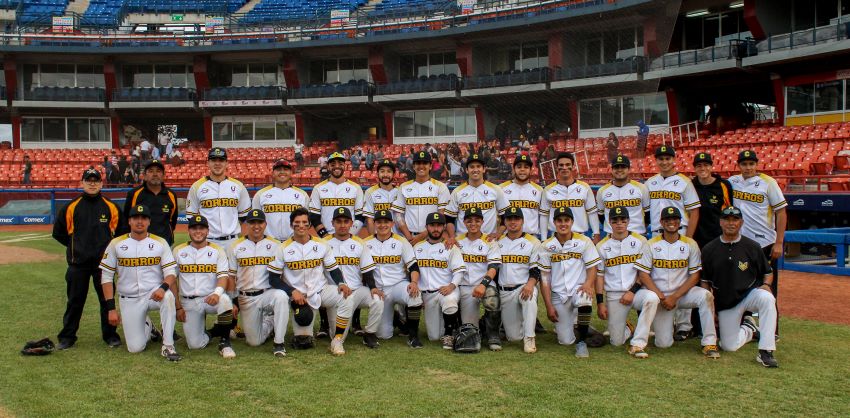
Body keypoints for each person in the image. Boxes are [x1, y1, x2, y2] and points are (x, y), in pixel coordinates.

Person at [633, 206, 720, 359]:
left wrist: (675, 296)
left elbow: (695, 276)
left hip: (681, 295)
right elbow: (644, 274)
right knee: (663, 343)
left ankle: (709, 342)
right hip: (659, 295)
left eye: (674, 219)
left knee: (705, 296)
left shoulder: (690, 244)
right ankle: (641, 341)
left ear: (680, 222)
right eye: (667, 219)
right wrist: (661, 296)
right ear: (661, 222)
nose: (671, 222)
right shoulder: (651, 244)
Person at [267, 208, 354, 356]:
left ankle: (337, 339)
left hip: (320, 290)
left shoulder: (322, 244)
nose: (301, 225)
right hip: (298, 298)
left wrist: (341, 283)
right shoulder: (283, 248)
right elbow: (273, 278)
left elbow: (333, 269)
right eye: (297, 223)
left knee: (347, 297)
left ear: (309, 225)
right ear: (291, 225)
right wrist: (292, 291)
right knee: (303, 341)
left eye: (304, 222)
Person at [52, 168, 123, 350]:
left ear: (101, 183)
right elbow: (58, 233)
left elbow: (121, 234)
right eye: (88, 180)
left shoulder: (111, 207)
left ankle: (110, 335)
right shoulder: (71, 207)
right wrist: (76, 248)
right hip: (78, 265)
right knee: (74, 301)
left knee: (107, 302)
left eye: (96, 180)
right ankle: (67, 337)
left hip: (103, 266)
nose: (92, 183)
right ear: (82, 183)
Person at [100, 204, 181, 360]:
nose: (139, 221)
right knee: (135, 348)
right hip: (129, 298)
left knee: (168, 297)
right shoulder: (116, 243)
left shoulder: (160, 242)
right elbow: (106, 277)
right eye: (135, 218)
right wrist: (110, 308)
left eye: (143, 218)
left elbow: (171, 273)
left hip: (154, 294)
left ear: (149, 222)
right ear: (129, 221)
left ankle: (168, 345)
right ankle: (149, 327)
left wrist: (163, 288)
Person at [701, 206, 778, 367]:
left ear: (741, 222)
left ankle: (766, 351)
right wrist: (711, 308)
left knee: (768, 299)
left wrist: (766, 285)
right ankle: (749, 329)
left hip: (749, 294)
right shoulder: (709, 249)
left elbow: (768, 272)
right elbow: (705, 283)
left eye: (735, 219)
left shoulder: (752, 246)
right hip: (726, 302)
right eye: (727, 219)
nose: (731, 223)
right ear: (720, 222)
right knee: (729, 346)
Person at [728, 150, 787, 317]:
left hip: (765, 242)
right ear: (738, 165)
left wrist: (779, 242)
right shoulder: (733, 181)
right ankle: (747, 325)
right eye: (744, 164)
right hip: (741, 243)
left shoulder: (768, 182)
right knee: (742, 285)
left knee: (767, 287)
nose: (748, 167)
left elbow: (781, 212)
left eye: (751, 164)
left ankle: (772, 330)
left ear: (757, 164)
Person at [538, 207, 601, 358]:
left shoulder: (584, 241)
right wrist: (548, 306)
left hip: (578, 290)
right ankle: (580, 326)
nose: (563, 224)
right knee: (565, 341)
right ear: (554, 223)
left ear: (572, 222)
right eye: (559, 220)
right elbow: (545, 278)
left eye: (566, 220)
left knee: (585, 299)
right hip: (558, 295)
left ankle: (582, 342)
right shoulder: (546, 246)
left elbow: (592, 267)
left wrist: (588, 284)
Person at [595, 206, 657, 358]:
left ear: (628, 221)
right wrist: (600, 303)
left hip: (636, 291)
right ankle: (628, 327)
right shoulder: (601, 246)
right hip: (614, 293)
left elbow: (644, 272)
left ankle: (638, 343)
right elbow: (600, 276)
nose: (619, 223)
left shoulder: (641, 241)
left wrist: (632, 291)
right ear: (610, 222)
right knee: (616, 341)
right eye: (615, 221)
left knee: (652, 298)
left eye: (623, 220)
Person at [173, 215, 236, 359]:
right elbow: (172, 280)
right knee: (195, 345)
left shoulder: (217, 250)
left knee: (225, 300)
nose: (198, 231)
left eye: (201, 228)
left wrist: (217, 293)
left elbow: (223, 277)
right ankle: (214, 331)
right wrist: (178, 307)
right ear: (188, 231)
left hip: (210, 298)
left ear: (207, 231)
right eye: (194, 228)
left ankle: (225, 342)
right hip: (188, 301)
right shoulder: (178, 251)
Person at [228, 210, 290, 356]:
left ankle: (279, 343)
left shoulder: (275, 245)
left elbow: (282, 274)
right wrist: (232, 300)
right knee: (254, 342)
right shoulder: (235, 246)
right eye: (252, 222)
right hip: (246, 297)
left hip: (267, 293)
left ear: (265, 224)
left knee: (281, 296)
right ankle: (270, 321)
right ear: (246, 225)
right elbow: (231, 276)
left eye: (260, 222)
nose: (256, 226)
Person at [323, 208, 383, 348]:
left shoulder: (360, 243)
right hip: (336, 294)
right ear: (332, 223)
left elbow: (367, 270)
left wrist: (373, 287)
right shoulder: (323, 243)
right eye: (338, 221)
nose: (342, 225)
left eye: (346, 221)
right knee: (337, 336)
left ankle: (369, 334)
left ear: (351, 223)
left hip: (357, 291)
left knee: (377, 299)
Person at [366, 210, 423, 347]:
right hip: (379, 290)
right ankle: (397, 318)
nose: (382, 225)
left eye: (386, 222)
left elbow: (414, 266)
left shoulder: (401, 241)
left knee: (414, 295)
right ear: (374, 224)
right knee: (383, 335)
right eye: (379, 222)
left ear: (391, 223)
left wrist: (414, 282)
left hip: (398, 285)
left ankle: (413, 336)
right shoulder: (366, 243)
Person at [415, 212, 466, 349]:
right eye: (432, 225)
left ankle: (449, 335)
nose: (435, 228)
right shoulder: (417, 247)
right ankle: (454, 324)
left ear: (444, 227)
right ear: (427, 227)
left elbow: (459, 271)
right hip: (427, 294)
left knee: (450, 301)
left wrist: (452, 286)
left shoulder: (451, 247)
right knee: (434, 337)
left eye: (439, 225)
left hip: (445, 290)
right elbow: (412, 272)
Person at [496, 207, 543, 353]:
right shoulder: (497, 241)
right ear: (505, 221)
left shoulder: (533, 242)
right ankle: (521, 326)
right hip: (505, 291)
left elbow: (537, 268)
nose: (513, 222)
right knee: (513, 337)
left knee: (530, 297)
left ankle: (530, 337)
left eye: (516, 218)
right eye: (509, 219)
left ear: (522, 221)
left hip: (523, 287)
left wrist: (530, 284)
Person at [186, 147, 251, 250]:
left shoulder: (238, 186)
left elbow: (245, 218)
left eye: (221, 160)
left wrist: (245, 243)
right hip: (208, 241)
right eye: (213, 160)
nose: (217, 163)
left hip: (232, 241)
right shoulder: (197, 186)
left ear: (226, 163)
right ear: (208, 163)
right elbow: (191, 218)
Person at [456, 207, 503, 351]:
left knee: (491, 297)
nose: (473, 223)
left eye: (477, 220)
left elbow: (494, 266)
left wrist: (483, 284)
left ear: (482, 222)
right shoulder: (457, 242)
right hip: (465, 287)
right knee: (471, 330)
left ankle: (493, 334)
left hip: (484, 284)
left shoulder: (489, 241)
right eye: (469, 221)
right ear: (464, 222)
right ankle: (482, 326)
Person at [445, 153, 510, 244]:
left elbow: (506, 216)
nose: (475, 170)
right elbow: (449, 218)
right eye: (472, 167)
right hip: (463, 243)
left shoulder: (495, 189)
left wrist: (498, 233)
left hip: (488, 241)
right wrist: (452, 237)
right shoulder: (457, 191)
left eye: (478, 166)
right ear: (467, 170)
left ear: (484, 169)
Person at [392, 151, 451, 246]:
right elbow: (398, 215)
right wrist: (409, 237)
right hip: (409, 237)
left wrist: (423, 235)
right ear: (413, 166)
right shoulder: (404, 187)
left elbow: (442, 215)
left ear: (430, 166)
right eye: (418, 163)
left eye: (425, 163)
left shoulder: (440, 187)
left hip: (433, 237)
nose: (421, 166)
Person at [540, 152, 600, 242]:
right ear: (557, 167)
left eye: (568, 164)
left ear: (573, 166)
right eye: (561, 165)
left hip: (580, 237)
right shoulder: (548, 190)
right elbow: (544, 215)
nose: (564, 167)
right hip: (556, 238)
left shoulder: (585, 187)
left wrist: (596, 234)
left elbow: (592, 213)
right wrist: (543, 239)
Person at [646, 145, 700, 238]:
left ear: (674, 159)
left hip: (679, 232)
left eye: (668, 158)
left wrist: (688, 238)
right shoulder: (649, 182)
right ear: (656, 160)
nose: (664, 162)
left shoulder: (685, 182)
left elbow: (694, 212)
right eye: (661, 159)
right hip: (656, 233)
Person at [121, 159, 178, 246]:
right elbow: (126, 219)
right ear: (144, 175)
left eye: (158, 171)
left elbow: (172, 220)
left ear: (163, 175)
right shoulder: (134, 194)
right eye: (151, 171)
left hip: (164, 244)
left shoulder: (171, 195)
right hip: (138, 244)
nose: (155, 174)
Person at [252, 159, 310, 242]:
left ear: (291, 173)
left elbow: (307, 221)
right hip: (269, 242)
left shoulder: (302, 195)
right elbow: (255, 221)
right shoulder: (260, 194)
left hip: (294, 242)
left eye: (286, 169)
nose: (282, 172)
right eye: (278, 170)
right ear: (273, 173)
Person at [596, 155, 650, 235]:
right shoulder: (602, 191)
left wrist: (642, 228)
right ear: (612, 170)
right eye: (616, 167)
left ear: (629, 169)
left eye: (623, 167)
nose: (620, 170)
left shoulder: (641, 188)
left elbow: (648, 214)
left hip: (637, 233)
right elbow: (601, 216)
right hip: (612, 235)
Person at [499, 154, 544, 236]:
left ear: (531, 170)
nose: (522, 170)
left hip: (532, 238)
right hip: (507, 238)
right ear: (514, 169)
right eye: (519, 167)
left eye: (526, 167)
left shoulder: (540, 190)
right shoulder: (501, 189)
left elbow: (543, 216)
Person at [364, 159, 399, 235]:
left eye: (389, 171)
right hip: (379, 236)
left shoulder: (400, 192)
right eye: (382, 171)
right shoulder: (370, 192)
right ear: (377, 174)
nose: (385, 174)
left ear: (394, 174)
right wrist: (373, 239)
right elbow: (369, 219)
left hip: (399, 237)